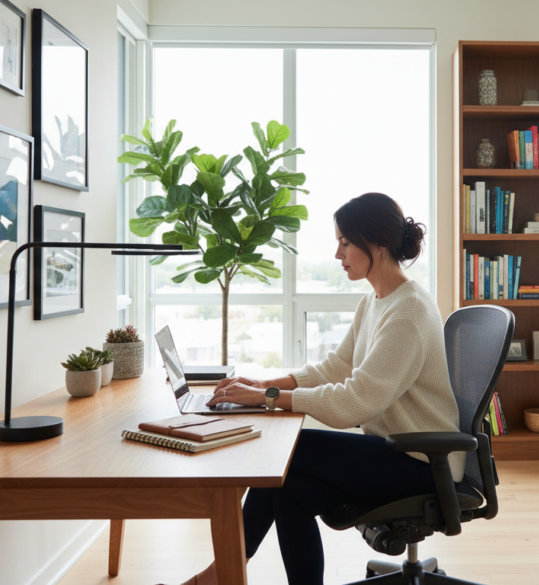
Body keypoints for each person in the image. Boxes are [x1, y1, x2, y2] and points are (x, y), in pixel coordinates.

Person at [173, 193, 463, 585]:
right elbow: (337, 367)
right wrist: (264, 384)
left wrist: (267, 399)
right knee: (289, 492)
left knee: (293, 452)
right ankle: (223, 574)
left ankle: (218, 575)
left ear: (376, 245)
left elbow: (354, 401)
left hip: (422, 460)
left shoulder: (408, 311)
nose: (337, 252)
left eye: (345, 242)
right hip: (391, 447)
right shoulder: (376, 301)